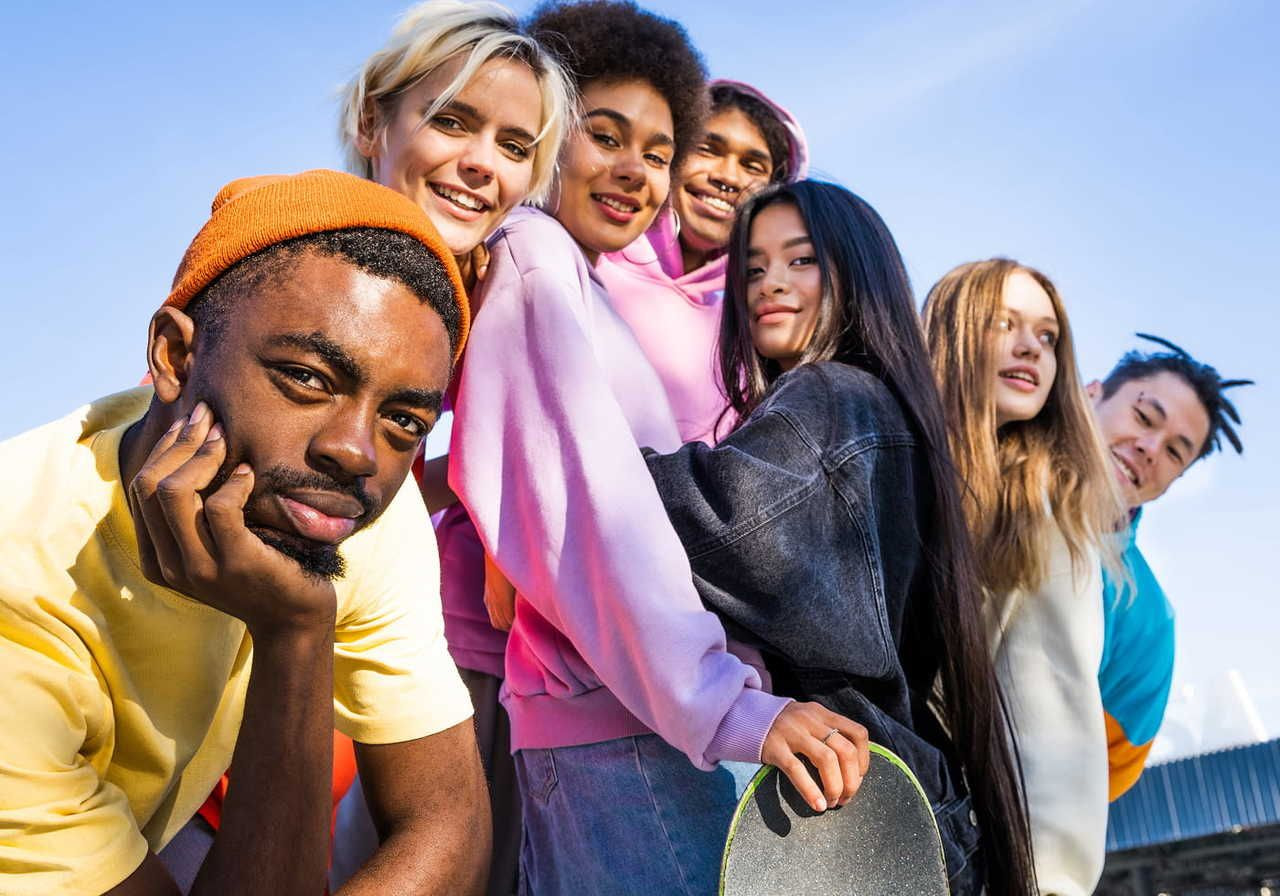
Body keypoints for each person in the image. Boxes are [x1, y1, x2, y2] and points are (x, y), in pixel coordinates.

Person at [447, 3, 866, 893]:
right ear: (550, 132)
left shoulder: (578, 277)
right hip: (618, 728)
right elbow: (602, 519)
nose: (635, 170)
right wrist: (728, 708)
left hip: (631, 713)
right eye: (605, 135)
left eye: (659, 151)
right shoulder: (537, 264)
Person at [0, 169, 488, 896]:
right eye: (306, 378)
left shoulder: (337, 501)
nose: (356, 450)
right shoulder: (22, 584)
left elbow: (448, 827)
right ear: (174, 355)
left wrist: (294, 625)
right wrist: (296, 631)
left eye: (405, 421)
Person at [644, 181, 1036, 896]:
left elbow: (718, 520)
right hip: (906, 804)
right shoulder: (885, 405)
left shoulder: (830, 395)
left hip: (850, 814)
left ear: (856, 273)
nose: (771, 285)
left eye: (801, 261)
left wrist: (563, 472)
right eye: (754, 268)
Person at [325, 4, 574, 891]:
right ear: (372, 124)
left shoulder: (461, 286)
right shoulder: (310, 263)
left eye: (514, 146)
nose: (482, 164)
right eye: (453, 121)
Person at [922, 259, 1126, 896]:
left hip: (944, 848)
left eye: (1048, 336)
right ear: (952, 330)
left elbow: (1054, 718)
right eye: (1004, 323)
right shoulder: (890, 457)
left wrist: (1052, 883)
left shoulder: (1044, 515)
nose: (1030, 347)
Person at [597, 79, 809, 443]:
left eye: (752, 166)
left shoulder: (754, 331)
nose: (727, 177)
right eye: (708, 149)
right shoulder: (587, 259)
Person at [1088, 334, 1251, 800]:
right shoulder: (969, 471)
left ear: (1173, 481)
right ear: (1091, 393)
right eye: (1144, 416)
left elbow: (1100, 780)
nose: (1150, 447)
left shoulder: (1147, 620)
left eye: (1176, 452)